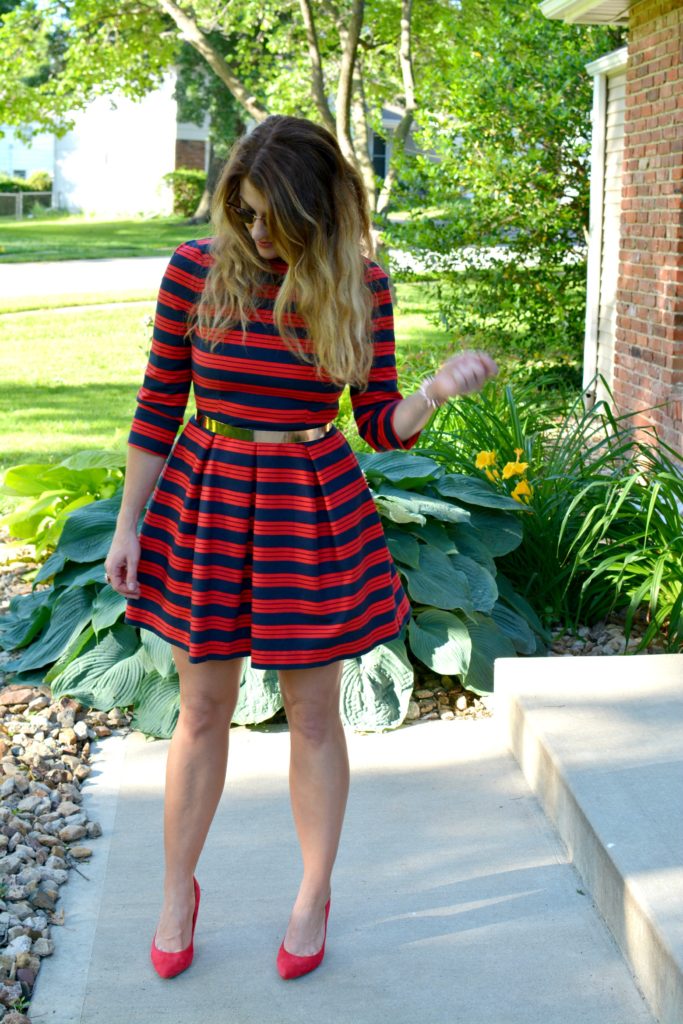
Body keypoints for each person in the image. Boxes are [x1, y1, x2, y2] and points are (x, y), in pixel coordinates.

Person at [104, 114, 497, 982]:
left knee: (314, 715)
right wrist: (129, 524)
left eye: (271, 218)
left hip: (306, 506)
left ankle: (314, 893)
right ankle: (177, 890)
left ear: (318, 211)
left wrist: (432, 392)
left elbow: (377, 425)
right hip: (207, 496)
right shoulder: (196, 272)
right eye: (242, 212)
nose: (254, 233)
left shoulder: (360, 286)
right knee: (201, 710)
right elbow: (156, 407)